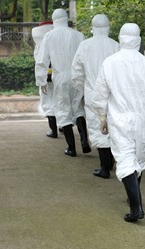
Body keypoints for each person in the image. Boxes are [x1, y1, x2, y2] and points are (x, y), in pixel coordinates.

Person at [91, 23, 145, 222]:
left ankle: (136, 207)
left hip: (119, 118)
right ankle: (135, 199)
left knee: (125, 159)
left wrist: (102, 117)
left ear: (121, 38)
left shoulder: (110, 62)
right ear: (138, 39)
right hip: (141, 119)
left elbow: (100, 94)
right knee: (138, 159)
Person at [35, 8, 91, 157]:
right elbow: (86, 59)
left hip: (60, 77)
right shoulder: (79, 35)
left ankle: (71, 148)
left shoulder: (49, 36)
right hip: (77, 76)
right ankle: (84, 140)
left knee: (63, 110)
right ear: (66, 19)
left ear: (54, 21)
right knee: (78, 108)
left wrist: (41, 81)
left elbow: (42, 61)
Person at [72, 14, 119, 179]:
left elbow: (76, 72)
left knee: (98, 129)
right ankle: (113, 162)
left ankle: (104, 167)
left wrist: (83, 89)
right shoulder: (116, 46)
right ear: (108, 27)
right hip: (113, 95)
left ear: (93, 27)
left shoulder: (85, 46)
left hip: (93, 93)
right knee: (114, 127)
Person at [32, 21, 58, 138]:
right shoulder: (59, 40)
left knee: (48, 102)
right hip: (59, 76)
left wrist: (40, 79)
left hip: (45, 77)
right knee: (61, 101)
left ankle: (54, 130)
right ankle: (64, 126)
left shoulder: (39, 45)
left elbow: (39, 63)